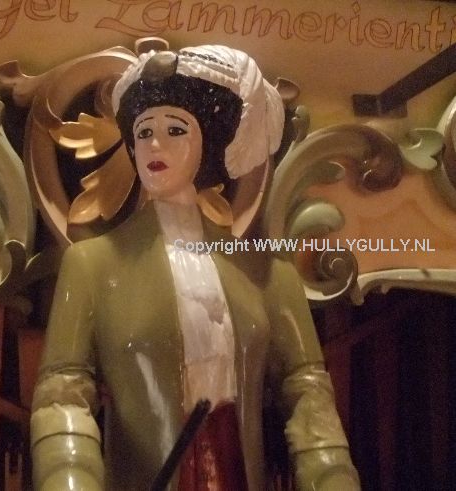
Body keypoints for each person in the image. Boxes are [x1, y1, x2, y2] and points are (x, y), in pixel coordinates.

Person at [30, 45, 360, 490]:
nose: (155, 144)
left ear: (207, 143)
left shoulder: (268, 272)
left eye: (175, 129)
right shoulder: (91, 265)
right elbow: (63, 394)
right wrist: (69, 476)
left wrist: (332, 474)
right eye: (143, 132)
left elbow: (306, 390)